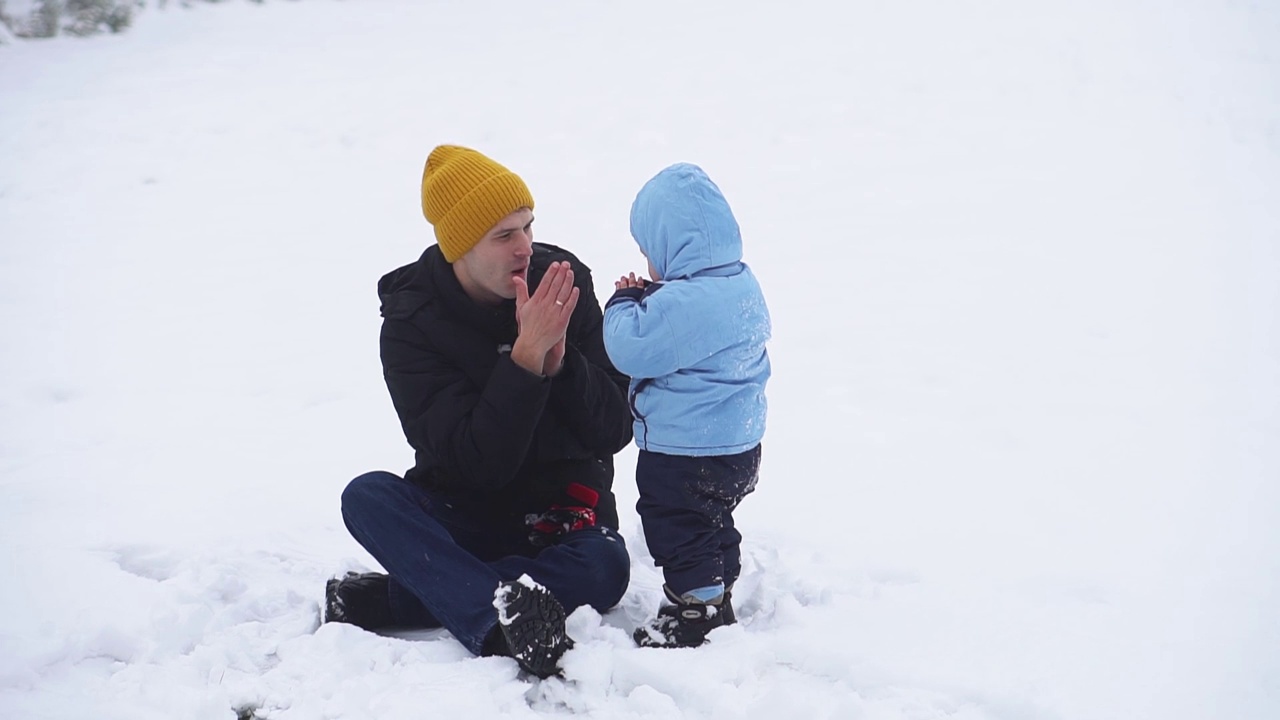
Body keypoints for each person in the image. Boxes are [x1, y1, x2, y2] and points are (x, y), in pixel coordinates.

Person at [327, 145, 633, 678]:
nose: (525, 248)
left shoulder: (564, 283)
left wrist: (564, 368)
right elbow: (477, 466)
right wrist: (523, 364)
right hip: (463, 512)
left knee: (607, 566)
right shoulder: (411, 323)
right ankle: (496, 627)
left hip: (561, 520)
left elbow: (615, 429)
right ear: (460, 248)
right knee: (367, 496)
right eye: (504, 236)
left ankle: (413, 596)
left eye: (528, 227)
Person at [602, 162, 772, 649]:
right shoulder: (741, 283)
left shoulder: (681, 305)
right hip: (739, 448)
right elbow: (699, 329)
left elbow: (629, 348)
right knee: (712, 516)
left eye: (650, 253)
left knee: (677, 523)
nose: (652, 266)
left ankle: (696, 610)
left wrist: (625, 301)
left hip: (683, 452)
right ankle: (719, 583)